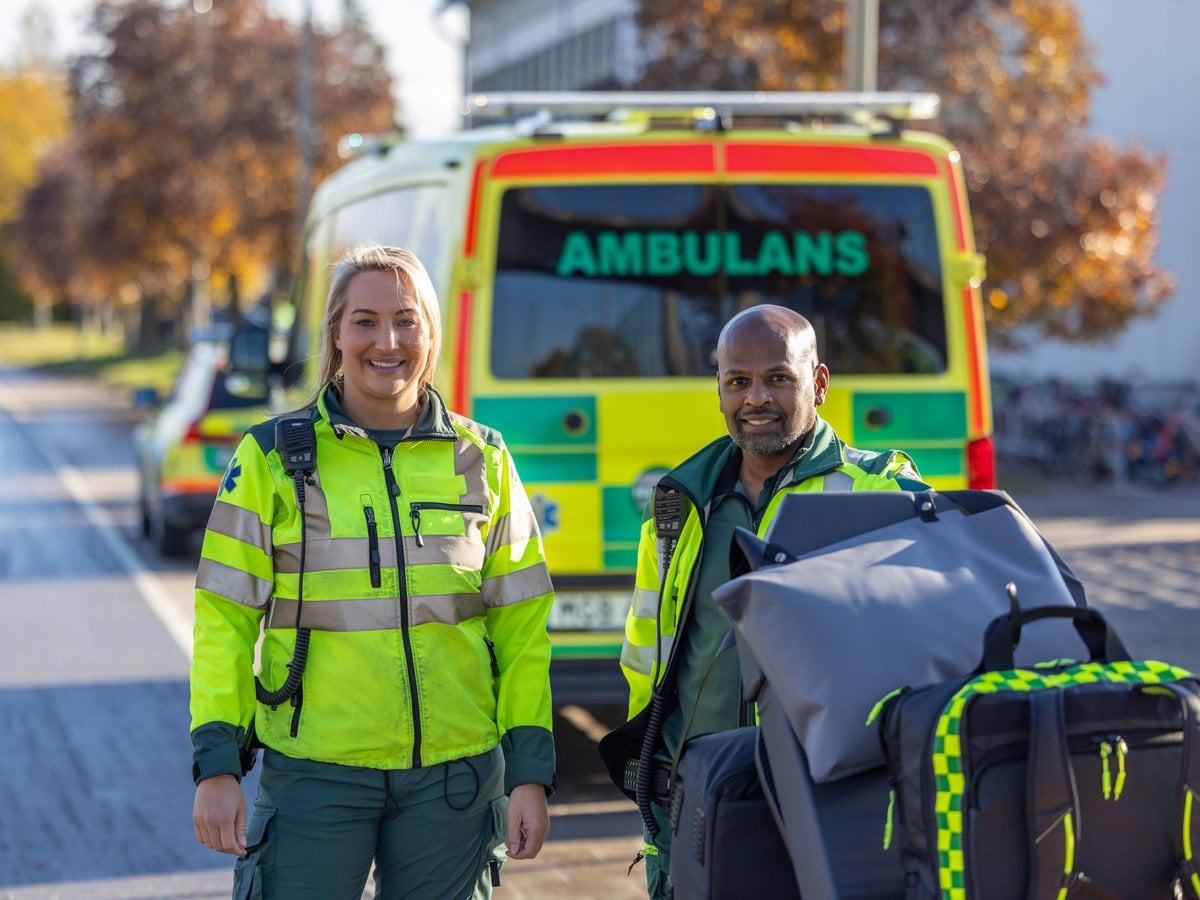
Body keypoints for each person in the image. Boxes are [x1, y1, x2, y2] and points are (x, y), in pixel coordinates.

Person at [190, 244, 555, 899]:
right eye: (365, 321)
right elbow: (223, 620)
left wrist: (529, 771)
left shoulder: (485, 458)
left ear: (431, 334)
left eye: (406, 321)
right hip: (316, 776)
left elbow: (522, 630)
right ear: (336, 333)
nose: (387, 342)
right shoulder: (270, 458)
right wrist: (217, 766)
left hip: (455, 780)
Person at [611, 304, 928, 898]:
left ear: (819, 383)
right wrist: (656, 789)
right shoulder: (678, 503)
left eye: (778, 378)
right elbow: (646, 661)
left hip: (831, 803)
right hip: (702, 800)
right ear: (719, 390)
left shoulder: (880, 490)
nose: (756, 398)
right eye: (738, 381)